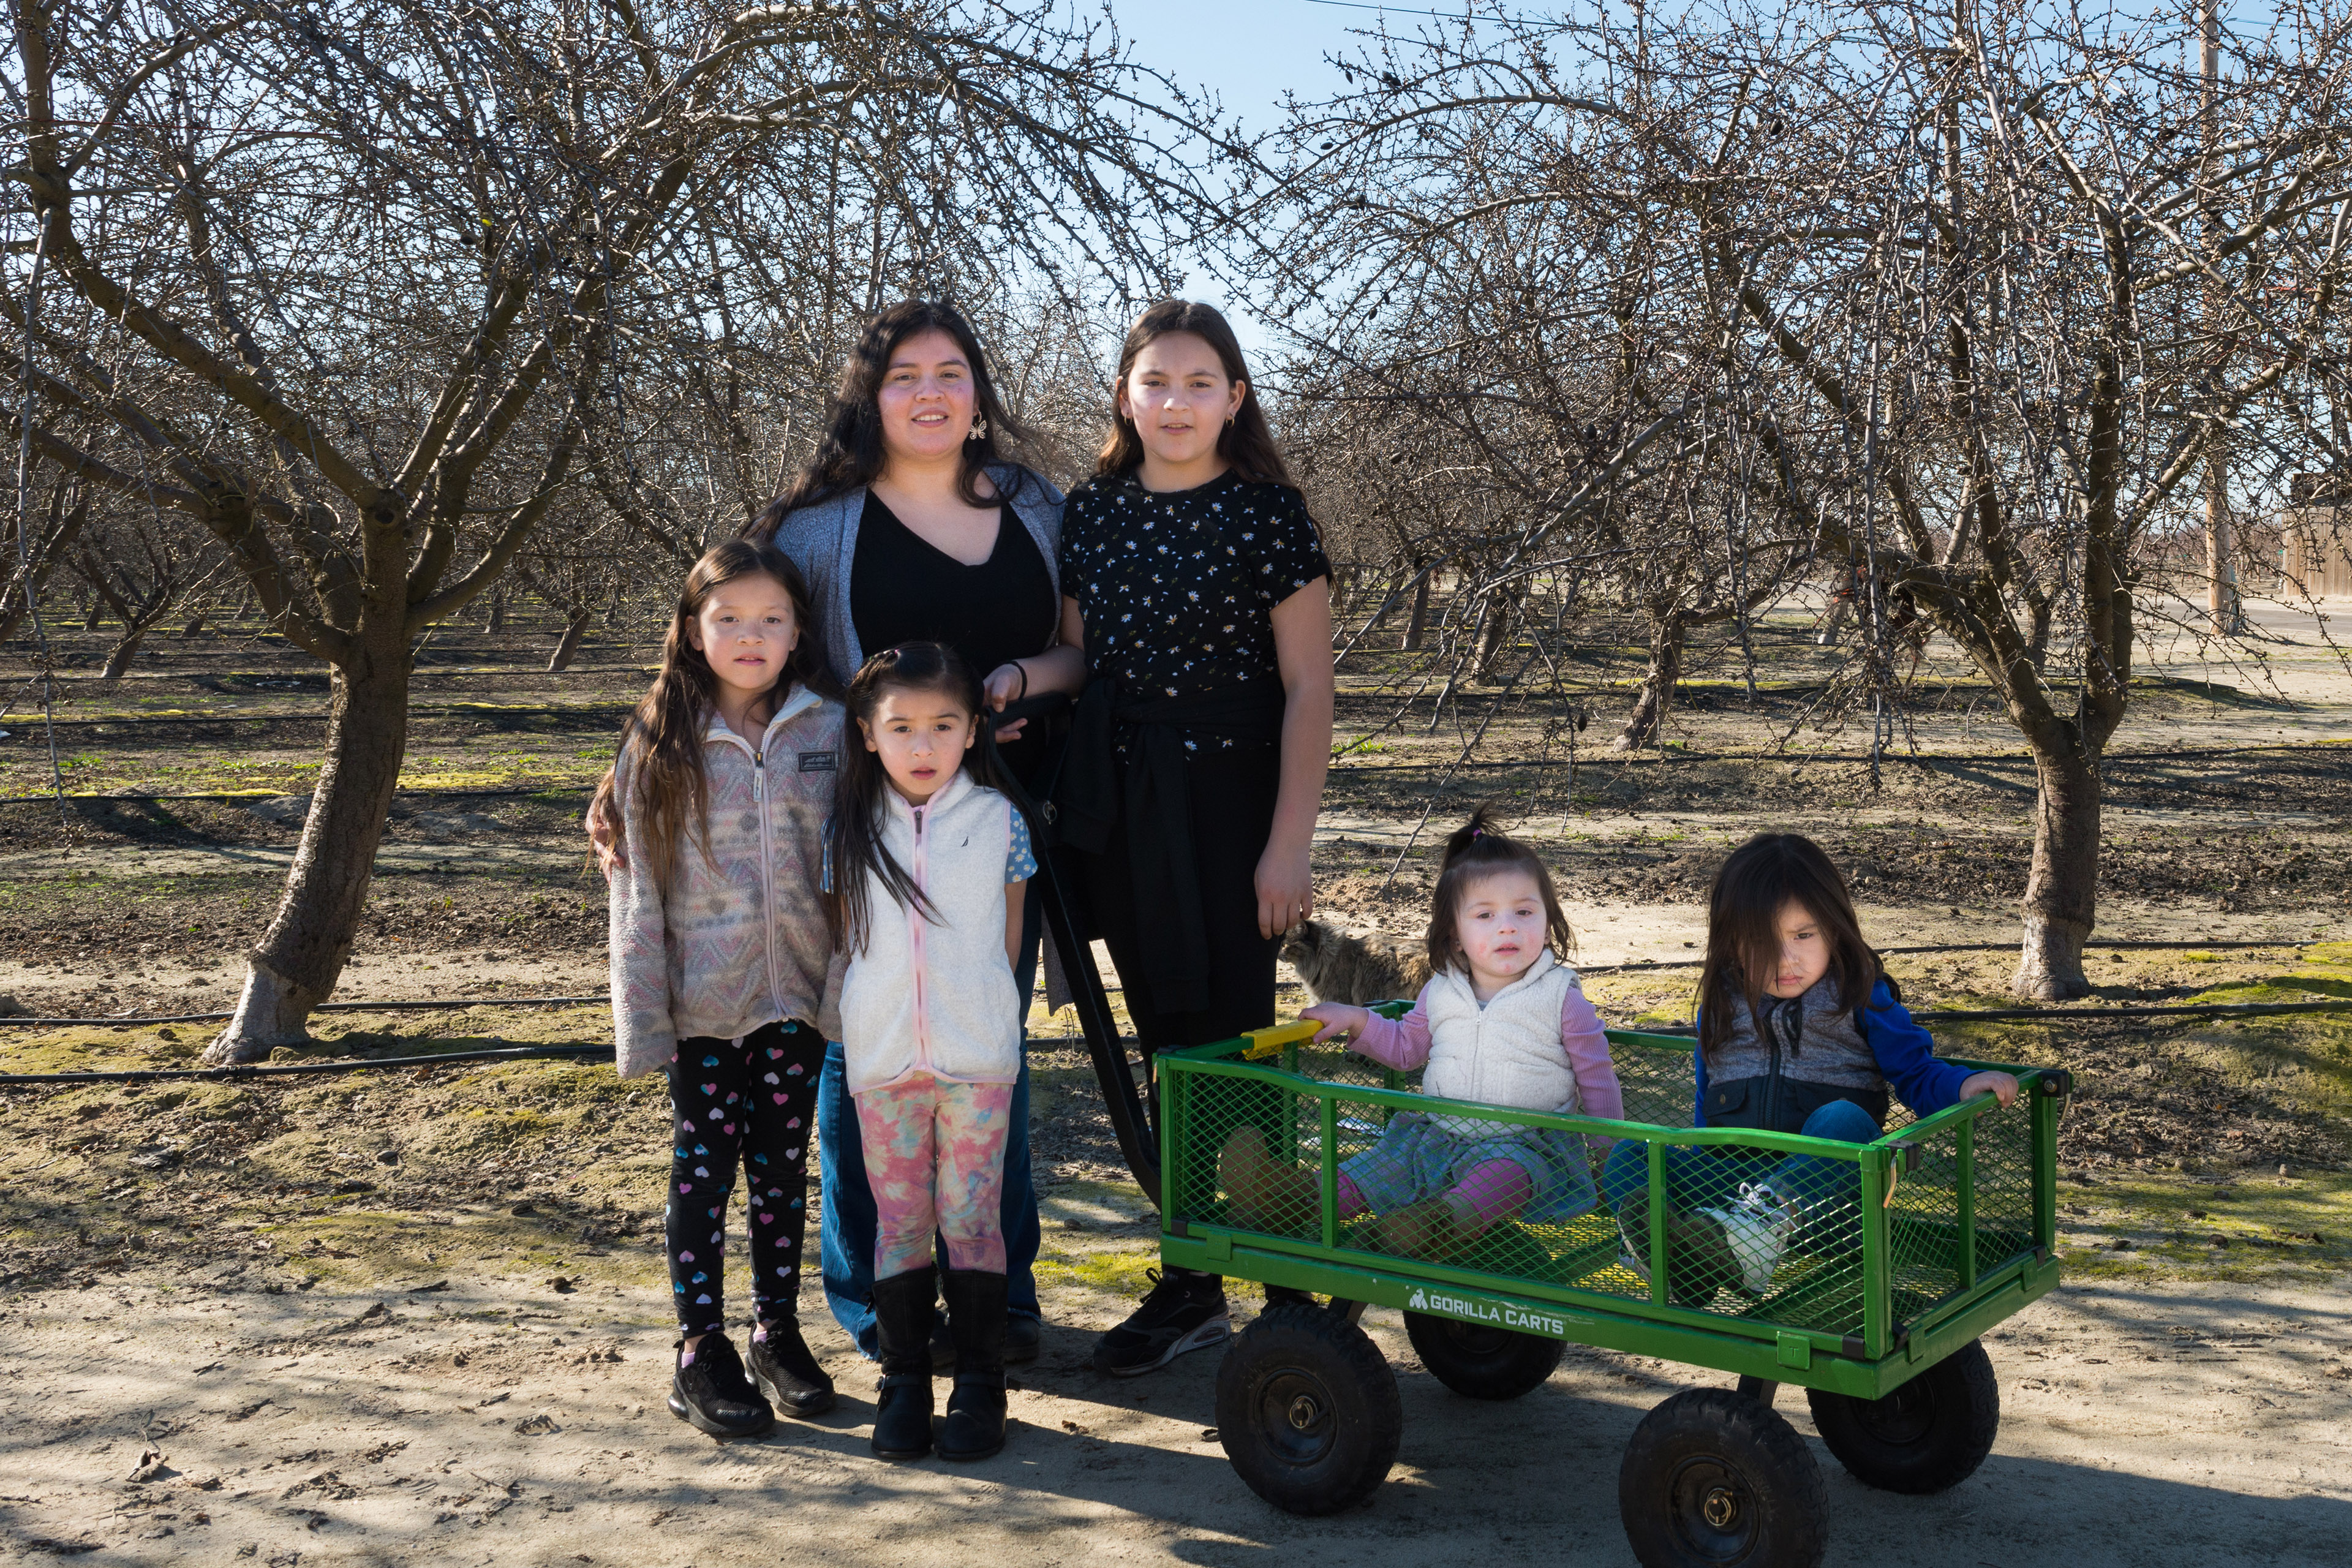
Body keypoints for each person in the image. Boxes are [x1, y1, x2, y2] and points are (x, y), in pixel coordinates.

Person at [590, 299, 1074, 1368]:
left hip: (994, 824)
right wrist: (633, 758)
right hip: (855, 829)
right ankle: (878, 1300)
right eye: (905, 374)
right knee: (862, 1057)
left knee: (991, 1046)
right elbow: (723, 632)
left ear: (980, 390)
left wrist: (1016, 681)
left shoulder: (1037, 508)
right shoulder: (816, 530)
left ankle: (1003, 1289)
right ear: (871, 394)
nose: (931, 392)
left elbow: (1078, 651)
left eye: (952, 370)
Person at [1055, 300, 1336, 1375]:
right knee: (1165, 1050)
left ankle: (1291, 1293)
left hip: (1232, 813)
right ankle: (1190, 1286)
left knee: (1238, 1044)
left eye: (1200, 383)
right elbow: (1079, 660)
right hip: (1121, 813)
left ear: (1237, 396)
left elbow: (1309, 688)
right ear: (1125, 396)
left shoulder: (1271, 514)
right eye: (1156, 383)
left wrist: (1288, 847)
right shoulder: (1093, 512)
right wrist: (1010, 680)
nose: (1176, 403)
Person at [604, 540, 843, 1441]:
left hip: (796, 1005)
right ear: (693, 631)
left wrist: (842, 990)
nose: (752, 636)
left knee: (783, 1172)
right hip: (701, 1012)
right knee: (704, 1175)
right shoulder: (659, 742)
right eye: (730, 618)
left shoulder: (829, 729)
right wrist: (646, 1017)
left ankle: (776, 1331)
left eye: (772, 619)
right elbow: (636, 890)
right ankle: (698, 1346)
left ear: (797, 632)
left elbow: (854, 864)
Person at [1599, 832, 2019, 1300]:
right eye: (1761, 941)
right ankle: (1677, 1259)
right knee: (1632, 1154)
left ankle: (1753, 1232)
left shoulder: (1861, 997)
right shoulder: (1719, 1009)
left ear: (1834, 928)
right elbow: (1705, 1109)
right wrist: (1698, 1184)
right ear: (1732, 945)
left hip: (1826, 1203)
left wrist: (1964, 1085)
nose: (1786, 959)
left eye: (1804, 935)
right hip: (1725, 1193)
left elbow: (1918, 1075)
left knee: (1843, 1120)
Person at [1221, 810, 1625, 1258]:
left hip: (1525, 1144)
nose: (1507, 926)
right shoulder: (1441, 990)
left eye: (1524, 912)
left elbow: (1597, 1075)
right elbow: (1406, 1048)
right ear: (1454, 935)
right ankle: (1293, 1199)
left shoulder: (1558, 995)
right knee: (1379, 1168)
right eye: (1486, 915)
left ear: (1548, 921)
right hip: (1438, 1136)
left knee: (1501, 1179)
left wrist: (1610, 1156)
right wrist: (1356, 1019)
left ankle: (1434, 1224)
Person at [827, 643, 1034, 1462]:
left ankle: (982, 1387)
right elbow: (848, 942)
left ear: (972, 730)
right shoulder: (847, 826)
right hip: (883, 1063)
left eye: (943, 726)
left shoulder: (998, 824)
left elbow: (1010, 940)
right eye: (902, 727)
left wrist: (986, 1014)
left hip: (978, 1060)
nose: (923, 746)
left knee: (972, 1219)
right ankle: (904, 1381)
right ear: (868, 734)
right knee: (902, 1222)